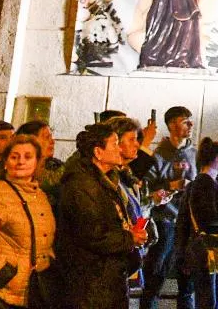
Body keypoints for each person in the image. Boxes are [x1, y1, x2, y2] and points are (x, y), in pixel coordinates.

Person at [55, 121, 148, 309]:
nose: (120, 149)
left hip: (109, 278)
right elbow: (94, 234)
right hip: (91, 283)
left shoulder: (108, 181)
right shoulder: (82, 186)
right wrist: (129, 238)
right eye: (115, 144)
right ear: (98, 152)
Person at [0, 132, 57, 308]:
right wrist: (3, 273)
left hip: (26, 290)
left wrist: (47, 263)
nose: (20, 162)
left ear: (37, 162)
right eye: (14, 157)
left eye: (28, 157)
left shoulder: (40, 196)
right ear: (6, 162)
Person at [141, 104, 198, 309]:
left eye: (190, 121)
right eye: (185, 121)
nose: (190, 125)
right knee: (156, 275)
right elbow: (144, 187)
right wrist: (170, 185)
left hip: (189, 224)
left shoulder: (195, 154)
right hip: (165, 221)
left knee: (188, 282)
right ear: (172, 125)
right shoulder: (159, 154)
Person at [179, 137, 218, 309]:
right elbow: (209, 217)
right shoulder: (205, 184)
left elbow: (183, 222)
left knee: (211, 300)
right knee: (209, 301)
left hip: (206, 251)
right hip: (206, 251)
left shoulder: (202, 183)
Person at [16, 120, 65, 194]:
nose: (52, 142)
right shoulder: (21, 169)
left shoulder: (54, 165)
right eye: (47, 137)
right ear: (31, 141)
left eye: (51, 137)